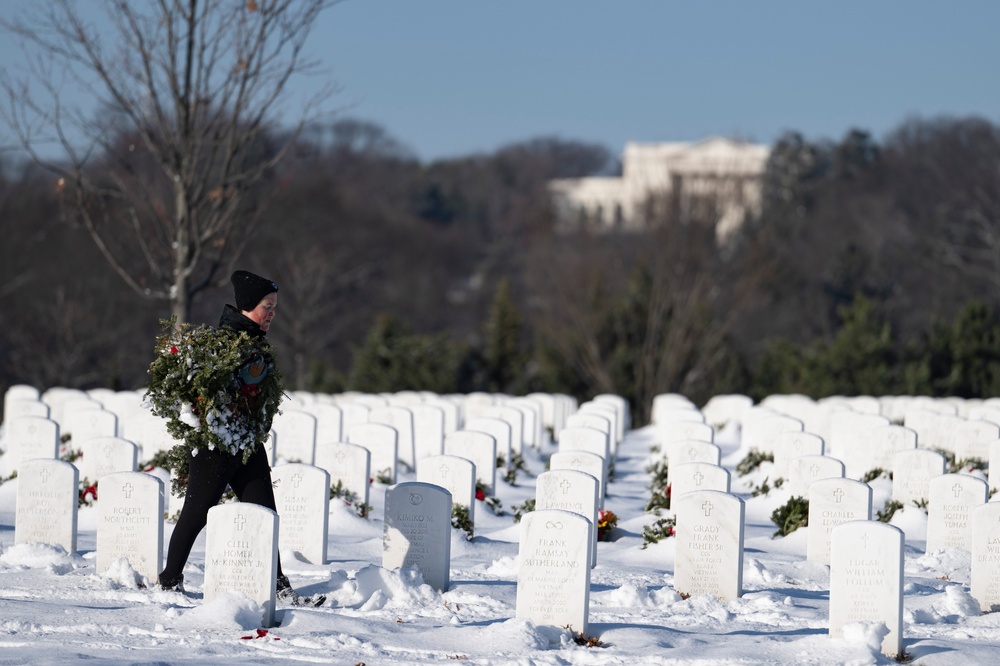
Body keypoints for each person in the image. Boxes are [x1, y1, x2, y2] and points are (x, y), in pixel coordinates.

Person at [157, 270, 320, 606]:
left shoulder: (254, 343)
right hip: (216, 445)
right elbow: (202, 392)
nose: (273, 313)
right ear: (248, 307)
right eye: (267, 306)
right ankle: (169, 580)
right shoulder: (222, 344)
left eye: (275, 306)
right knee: (197, 513)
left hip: (247, 442)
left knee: (265, 512)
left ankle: (279, 588)